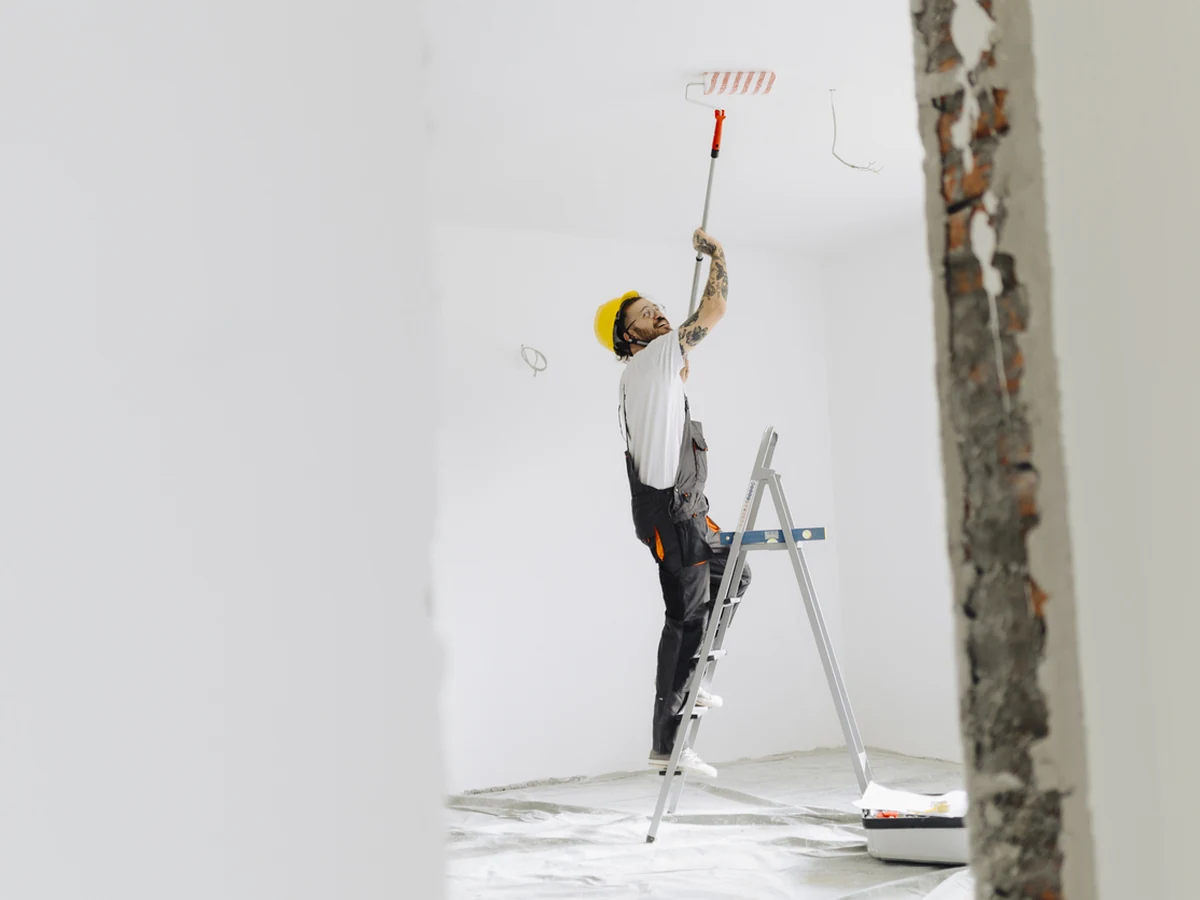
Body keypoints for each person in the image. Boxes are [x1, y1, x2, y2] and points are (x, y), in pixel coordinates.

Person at [592, 227, 751, 778]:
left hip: (684, 509)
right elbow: (714, 310)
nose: (658, 314)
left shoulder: (651, 373)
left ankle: (696, 678)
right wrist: (718, 254)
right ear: (628, 336)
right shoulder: (650, 361)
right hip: (672, 513)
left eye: (657, 307)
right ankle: (667, 743)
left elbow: (677, 376)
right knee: (684, 617)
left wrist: (677, 365)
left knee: (734, 573)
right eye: (645, 315)